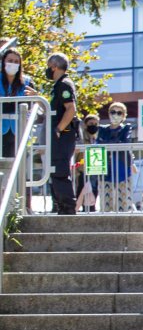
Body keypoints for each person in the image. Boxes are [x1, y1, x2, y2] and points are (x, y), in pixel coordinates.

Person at [44, 53, 79, 215]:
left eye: (48, 66)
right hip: (61, 135)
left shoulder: (64, 84)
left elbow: (70, 109)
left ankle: (67, 207)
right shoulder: (59, 85)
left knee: (60, 169)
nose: (47, 70)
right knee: (56, 169)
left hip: (63, 135)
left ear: (54, 67)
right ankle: (62, 206)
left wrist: (58, 129)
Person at [0, 48, 36, 157]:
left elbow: (31, 105)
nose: (13, 64)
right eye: (10, 60)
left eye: (16, 62)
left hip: (19, 131)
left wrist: (35, 96)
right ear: (3, 61)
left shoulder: (27, 82)